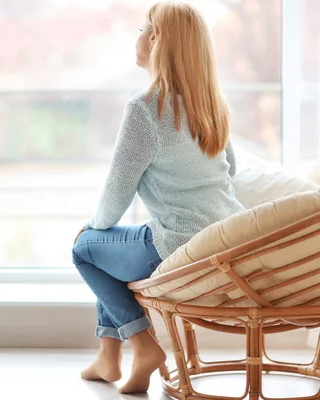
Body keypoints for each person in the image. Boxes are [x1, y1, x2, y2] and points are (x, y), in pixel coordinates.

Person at [71, 1, 245, 394]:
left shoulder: (146, 109)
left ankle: (143, 345)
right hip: (223, 242)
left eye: (141, 28)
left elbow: (116, 194)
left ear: (155, 39)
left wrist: (92, 227)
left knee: (86, 248)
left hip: (177, 245)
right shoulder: (210, 106)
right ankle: (108, 357)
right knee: (111, 246)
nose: (137, 36)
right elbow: (230, 173)